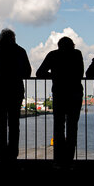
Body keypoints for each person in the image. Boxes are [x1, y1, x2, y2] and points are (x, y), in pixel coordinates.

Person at [0, 28, 31, 161]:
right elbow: (27, 72)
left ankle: (1, 154)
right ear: (14, 38)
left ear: (0, 38)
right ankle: (12, 154)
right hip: (15, 90)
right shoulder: (21, 51)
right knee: (14, 124)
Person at [35, 36, 83, 165]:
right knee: (72, 127)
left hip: (59, 94)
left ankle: (59, 160)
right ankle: (69, 160)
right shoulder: (77, 54)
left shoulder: (53, 55)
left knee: (58, 127)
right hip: (75, 94)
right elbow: (80, 73)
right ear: (72, 45)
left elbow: (39, 73)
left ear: (59, 45)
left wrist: (55, 75)